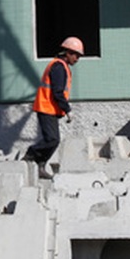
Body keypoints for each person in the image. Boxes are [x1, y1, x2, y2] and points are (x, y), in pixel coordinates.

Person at [26, 36, 82, 170]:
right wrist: (67, 110)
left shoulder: (62, 66)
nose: (77, 59)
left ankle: (40, 166)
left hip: (49, 109)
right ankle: (30, 155)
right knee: (52, 140)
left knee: (54, 141)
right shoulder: (58, 67)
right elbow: (58, 92)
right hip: (46, 108)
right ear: (68, 52)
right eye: (76, 55)